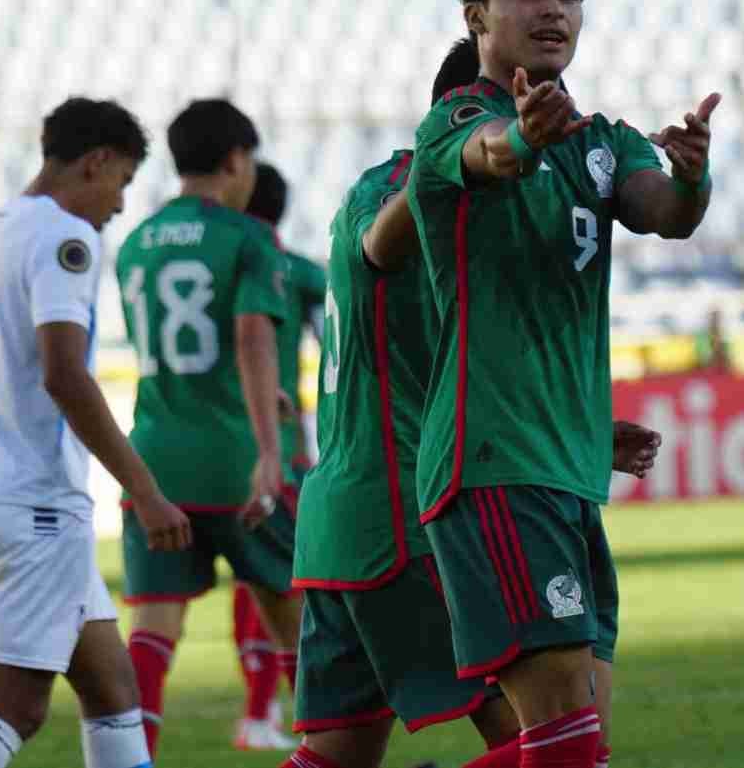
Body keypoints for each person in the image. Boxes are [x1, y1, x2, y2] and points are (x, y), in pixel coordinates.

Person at [279, 39, 660, 768]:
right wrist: (487, 156)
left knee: (335, 754)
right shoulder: (417, 190)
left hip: (345, 515)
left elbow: (452, 353)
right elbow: (388, 242)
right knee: (554, 740)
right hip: (412, 520)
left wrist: (575, 422)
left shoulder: (380, 189)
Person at [407, 0, 718, 768]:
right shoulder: (452, 123)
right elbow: (489, 153)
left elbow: (665, 214)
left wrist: (690, 175)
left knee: (583, 742)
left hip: (571, 469)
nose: (555, 10)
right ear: (477, 15)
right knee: (568, 740)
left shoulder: (604, 142)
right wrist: (521, 137)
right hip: (496, 464)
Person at [0, 97, 192, 768]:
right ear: (95, 163)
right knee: (14, 704)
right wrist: (144, 490)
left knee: (114, 691)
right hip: (36, 505)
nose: (118, 206)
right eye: (120, 182)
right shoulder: (65, 239)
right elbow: (66, 375)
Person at [116, 99, 301, 760]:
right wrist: (271, 449)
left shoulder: (135, 242)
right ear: (235, 160)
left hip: (157, 462)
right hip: (236, 461)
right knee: (297, 630)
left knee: (152, 635)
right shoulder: (249, 237)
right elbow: (252, 337)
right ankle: (332, 751)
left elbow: (180, 349)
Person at [231, 161, 327, 751]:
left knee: (252, 583)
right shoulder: (299, 272)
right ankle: (284, 717)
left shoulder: (218, 263)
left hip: (219, 443)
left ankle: (262, 710)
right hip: (280, 448)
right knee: (283, 584)